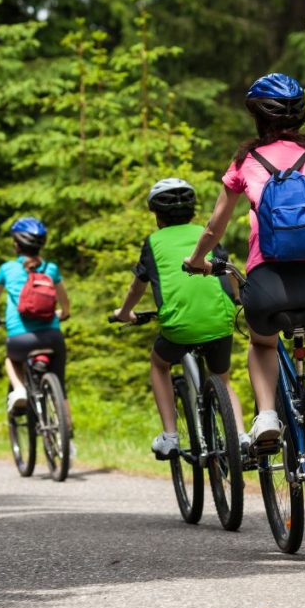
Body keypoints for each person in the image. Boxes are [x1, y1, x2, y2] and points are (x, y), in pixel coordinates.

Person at [182, 73, 305, 503]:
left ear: (257, 117)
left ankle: (265, 416)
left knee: (262, 344)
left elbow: (214, 226)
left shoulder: (245, 161)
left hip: (268, 285)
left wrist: (197, 260)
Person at [113, 178, 246, 458]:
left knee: (159, 363)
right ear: (192, 211)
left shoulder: (153, 242)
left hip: (178, 327)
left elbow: (138, 286)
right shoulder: (205, 233)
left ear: (157, 215)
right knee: (223, 379)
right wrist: (236, 298)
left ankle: (170, 436)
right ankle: (241, 436)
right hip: (220, 320)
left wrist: (125, 313)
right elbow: (227, 270)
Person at [0, 217, 72, 418]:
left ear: (16, 245)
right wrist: (64, 314)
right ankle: (66, 432)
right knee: (60, 386)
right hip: (52, 336)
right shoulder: (51, 269)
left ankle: (19, 390)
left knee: (11, 359)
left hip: (20, 338)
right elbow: (65, 302)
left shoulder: (7, 269)